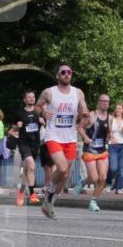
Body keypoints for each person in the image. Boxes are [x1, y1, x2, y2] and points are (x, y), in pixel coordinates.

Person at [36, 64, 89, 219]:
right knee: (63, 168)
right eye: (63, 72)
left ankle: (49, 204)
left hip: (70, 138)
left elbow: (83, 111)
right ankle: (50, 191)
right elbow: (37, 107)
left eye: (69, 72)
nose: (67, 74)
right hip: (53, 135)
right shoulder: (49, 92)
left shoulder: (78, 92)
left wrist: (84, 114)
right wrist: (43, 111)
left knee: (65, 176)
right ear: (58, 75)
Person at [76, 94, 112, 212]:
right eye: (102, 101)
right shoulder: (91, 115)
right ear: (98, 102)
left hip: (101, 150)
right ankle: (83, 182)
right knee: (94, 177)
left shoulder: (110, 118)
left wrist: (109, 137)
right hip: (90, 150)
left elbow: (108, 132)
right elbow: (79, 127)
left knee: (103, 178)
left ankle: (93, 202)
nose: (105, 103)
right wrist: (85, 137)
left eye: (107, 101)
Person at [11, 90, 42, 206]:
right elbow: (12, 129)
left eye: (33, 97)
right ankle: (32, 194)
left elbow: (48, 125)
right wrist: (17, 127)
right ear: (24, 100)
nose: (31, 99)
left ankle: (20, 193)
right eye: (28, 97)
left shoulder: (39, 112)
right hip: (24, 143)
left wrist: (43, 122)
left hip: (35, 144)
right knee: (31, 165)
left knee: (28, 170)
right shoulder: (19, 113)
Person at [107, 102, 123, 194]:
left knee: (121, 168)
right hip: (113, 146)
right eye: (116, 108)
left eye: (119, 109)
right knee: (113, 167)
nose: (117, 110)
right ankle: (108, 182)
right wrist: (111, 137)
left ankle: (118, 187)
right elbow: (108, 133)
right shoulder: (111, 119)